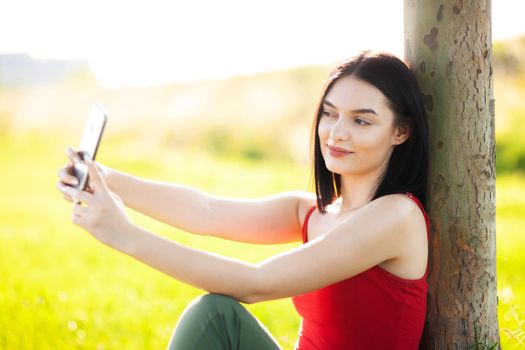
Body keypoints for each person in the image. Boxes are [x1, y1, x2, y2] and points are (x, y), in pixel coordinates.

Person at [57, 51, 430, 350]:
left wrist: (125, 235)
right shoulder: (314, 213)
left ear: (401, 131)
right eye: (329, 114)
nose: (337, 133)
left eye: (361, 121)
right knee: (216, 316)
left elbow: (256, 283)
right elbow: (206, 211)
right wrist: (106, 179)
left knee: (217, 314)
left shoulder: (397, 215)